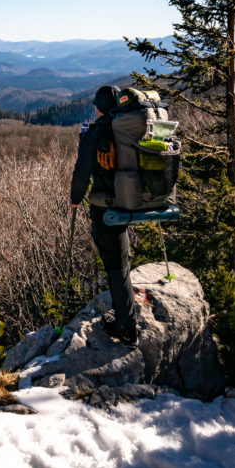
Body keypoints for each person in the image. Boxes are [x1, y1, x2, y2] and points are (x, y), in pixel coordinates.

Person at [70, 85, 138, 346]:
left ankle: (126, 327)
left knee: (115, 266)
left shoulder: (95, 133)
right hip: (130, 202)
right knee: (120, 262)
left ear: (98, 108)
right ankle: (125, 317)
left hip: (105, 208)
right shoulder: (127, 129)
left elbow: (81, 174)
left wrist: (75, 200)